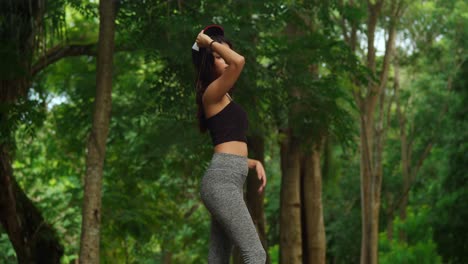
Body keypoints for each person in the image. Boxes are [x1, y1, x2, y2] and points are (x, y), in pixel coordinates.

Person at [191, 24, 267, 264]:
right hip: (222, 181)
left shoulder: (223, 97)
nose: (224, 59)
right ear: (208, 63)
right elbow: (239, 62)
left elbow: (229, 140)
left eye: (226, 53)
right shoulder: (211, 94)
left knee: (219, 257)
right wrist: (209, 44)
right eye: (218, 57)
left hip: (229, 178)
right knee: (255, 254)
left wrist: (251, 162)